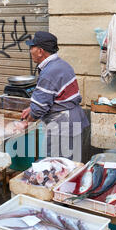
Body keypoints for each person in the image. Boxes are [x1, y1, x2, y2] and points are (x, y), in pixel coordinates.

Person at [21, 31, 89, 162]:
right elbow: (56, 96)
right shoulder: (61, 64)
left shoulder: (50, 72)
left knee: (58, 168)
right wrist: (31, 109)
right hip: (72, 120)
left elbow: (39, 109)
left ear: (40, 51)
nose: (30, 51)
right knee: (70, 165)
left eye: (32, 47)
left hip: (62, 125)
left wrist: (24, 123)